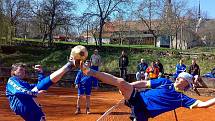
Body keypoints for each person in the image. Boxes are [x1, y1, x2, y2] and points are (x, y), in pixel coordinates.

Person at [79, 62, 215, 121]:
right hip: (138, 98)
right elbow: (144, 83)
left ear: (186, 84)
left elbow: (204, 104)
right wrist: (129, 85)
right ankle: (90, 71)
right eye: (179, 77)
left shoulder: (182, 98)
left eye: (182, 79)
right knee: (121, 82)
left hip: (144, 112)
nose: (178, 79)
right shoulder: (165, 82)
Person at [6, 59, 77, 121]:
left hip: (27, 104)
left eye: (24, 70)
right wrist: (36, 94)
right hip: (23, 104)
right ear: (14, 72)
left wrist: (40, 72)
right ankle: (68, 65)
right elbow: (18, 91)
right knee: (45, 84)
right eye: (21, 70)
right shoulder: (12, 80)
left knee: (44, 85)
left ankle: (68, 65)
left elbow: (39, 85)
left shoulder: (24, 83)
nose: (23, 72)